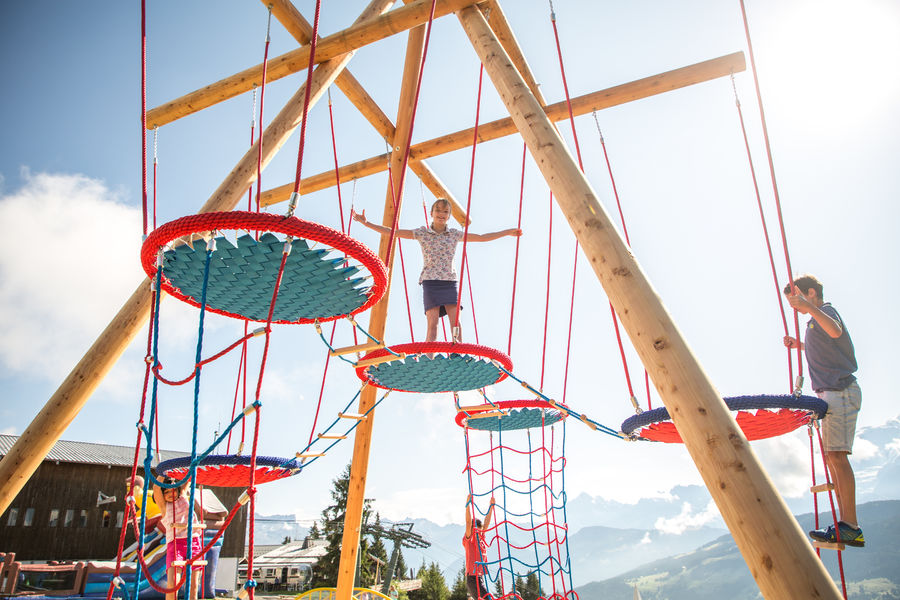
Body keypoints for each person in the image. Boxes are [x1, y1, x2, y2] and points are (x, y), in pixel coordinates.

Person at [353, 199, 521, 343]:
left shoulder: (454, 234)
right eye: (438, 210)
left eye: (445, 211)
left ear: (449, 216)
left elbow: (482, 237)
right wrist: (367, 223)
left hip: (449, 282)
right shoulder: (422, 233)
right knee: (432, 326)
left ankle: (457, 354)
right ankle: (429, 359)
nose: (441, 214)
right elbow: (393, 233)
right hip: (431, 282)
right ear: (431, 213)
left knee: (456, 324)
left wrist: (507, 232)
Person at [783, 275, 863, 547]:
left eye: (797, 299)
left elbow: (836, 332)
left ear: (811, 293)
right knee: (832, 458)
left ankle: (850, 525)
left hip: (840, 390)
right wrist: (800, 345)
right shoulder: (815, 321)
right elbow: (827, 344)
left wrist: (809, 308)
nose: (794, 306)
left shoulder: (826, 311)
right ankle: (846, 523)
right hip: (832, 392)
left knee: (837, 457)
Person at [153, 477, 204, 600]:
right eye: (166, 492)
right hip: (176, 545)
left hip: (193, 542)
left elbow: (189, 477)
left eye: (173, 490)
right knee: (173, 584)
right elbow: (156, 488)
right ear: (163, 495)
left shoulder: (183, 496)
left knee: (193, 585)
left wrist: (188, 469)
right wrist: (163, 473)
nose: (171, 494)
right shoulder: (164, 506)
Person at [463, 495, 495, 600]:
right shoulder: (469, 539)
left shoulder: (480, 538)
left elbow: (486, 524)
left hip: (479, 577)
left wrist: (491, 507)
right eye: (478, 530)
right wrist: (467, 505)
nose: (480, 532)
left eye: (480, 530)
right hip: (472, 578)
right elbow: (468, 523)